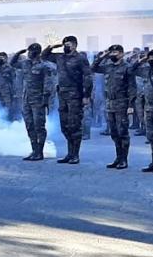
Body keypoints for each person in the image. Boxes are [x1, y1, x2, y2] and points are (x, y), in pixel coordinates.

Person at [43, 36, 93, 164]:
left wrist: (86, 95)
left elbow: (87, 77)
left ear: (75, 45)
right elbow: (45, 56)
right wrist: (53, 46)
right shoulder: (60, 57)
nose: (66, 46)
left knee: (74, 125)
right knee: (64, 126)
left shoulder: (80, 58)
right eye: (65, 43)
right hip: (62, 95)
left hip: (75, 95)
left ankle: (75, 155)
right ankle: (69, 153)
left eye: (69, 44)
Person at [92, 45, 137, 169]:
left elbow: (132, 87)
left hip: (122, 103)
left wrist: (130, 105)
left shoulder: (127, 68)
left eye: (115, 52)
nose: (113, 54)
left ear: (122, 54)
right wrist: (103, 56)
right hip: (110, 103)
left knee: (122, 132)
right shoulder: (108, 67)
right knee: (114, 133)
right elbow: (93, 68)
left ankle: (124, 159)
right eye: (111, 52)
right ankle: (118, 158)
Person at [11, 43, 53, 161]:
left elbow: (48, 83)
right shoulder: (25, 64)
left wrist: (45, 98)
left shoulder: (43, 66)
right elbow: (12, 64)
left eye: (30, 51)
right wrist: (18, 54)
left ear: (36, 52)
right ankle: (34, 150)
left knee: (39, 126)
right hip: (27, 99)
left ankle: (39, 152)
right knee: (29, 125)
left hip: (38, 100)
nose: (28, 53)